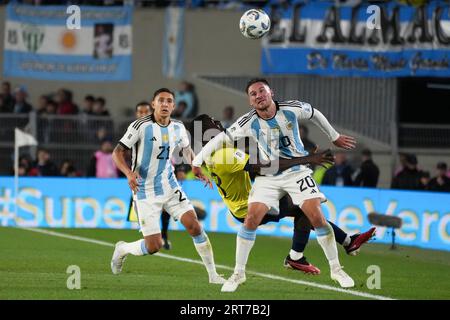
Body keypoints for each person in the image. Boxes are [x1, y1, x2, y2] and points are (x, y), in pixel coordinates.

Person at [192, 78, 357, 291]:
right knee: (282, 215)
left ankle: (336, 268)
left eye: (262, 91)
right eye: (253, 94)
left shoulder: (291, 108)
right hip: (272, 174)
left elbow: (314, 113)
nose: (259, 95)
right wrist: (308, 158)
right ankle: (242, 273)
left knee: (313, 213)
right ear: (250, 101)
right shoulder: (236, 138)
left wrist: (333, 136)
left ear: (272, 92)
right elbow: (262, 164)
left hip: (292, 173)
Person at [192, 114, 375, 275]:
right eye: (212, 122)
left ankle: (342, 243)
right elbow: (265, 168)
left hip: (242, 205)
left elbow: (258, 168)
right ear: (206, 132)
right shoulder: (224, 154)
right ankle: (303, 255)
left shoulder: (217, 153)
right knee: (304, 206)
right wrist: (306, 160)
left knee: (303, 207)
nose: (217, 122)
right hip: (248, 207)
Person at [111, 88, 225, 284]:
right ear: (153, 104)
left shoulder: (179, 128)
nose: (165, 104)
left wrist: (195, 167)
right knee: (154, 246)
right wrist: (129, 173)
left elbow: (187, 150)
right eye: (160, 100)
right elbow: (117, 152)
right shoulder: (140, 126)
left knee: (195, 226)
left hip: (170, 186)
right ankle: (122, 249)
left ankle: (213, 276)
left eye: (169, 101)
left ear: (173, 106)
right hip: (145, 190)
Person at [126, 101, 173, 250]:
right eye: (140, 112)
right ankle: (150, 235)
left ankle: (164, 235)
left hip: (161, 176)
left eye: (145, 111)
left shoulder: (161, 128)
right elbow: (123, 151)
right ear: (136, 114)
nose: (142, 114)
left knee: (165, 206)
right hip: (141, 178)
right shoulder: (134, 129)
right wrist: (131, 171)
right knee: (145, 212)